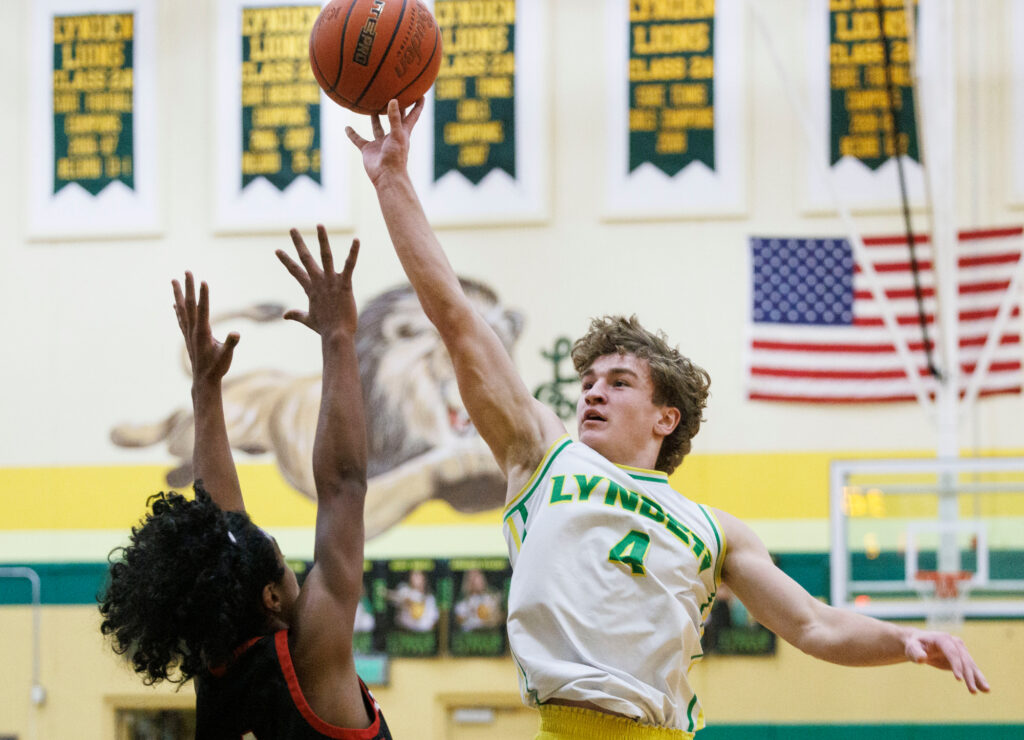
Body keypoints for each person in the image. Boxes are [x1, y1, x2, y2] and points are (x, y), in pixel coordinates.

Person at [346, 100, 990, 739]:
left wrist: (905, 639)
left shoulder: (717, 531)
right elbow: (457, 320)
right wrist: (394, 181)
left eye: (618, 382)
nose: (592, 393)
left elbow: (814, 625)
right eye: (588, 382)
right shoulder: (542, 456)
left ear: (665, 417)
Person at [99, 227, 392, 739]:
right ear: (271, 599)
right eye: (281, 562)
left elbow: (220, 518)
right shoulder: (311, 660)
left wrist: (206, 388)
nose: (295, 572)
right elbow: (343, 486)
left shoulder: (217, 672)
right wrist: (339, 336)